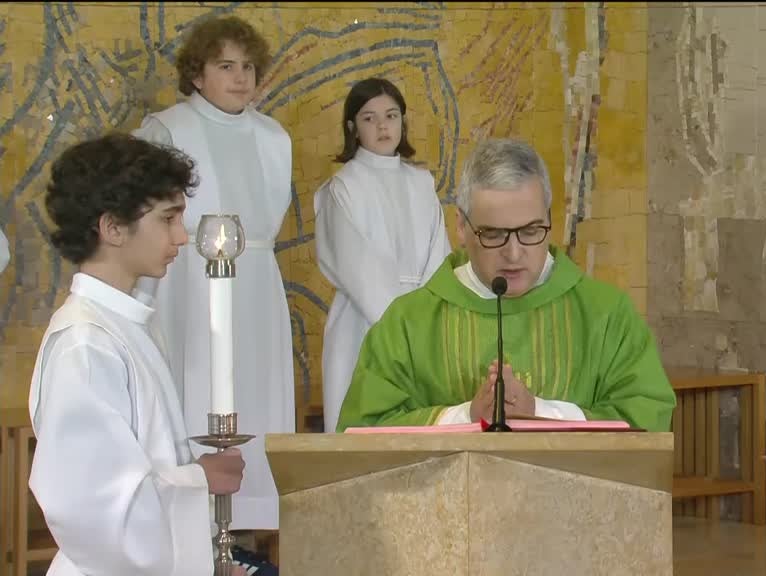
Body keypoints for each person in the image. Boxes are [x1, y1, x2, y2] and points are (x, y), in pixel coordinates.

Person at [336, 138, 676, 432]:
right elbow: (362, 431)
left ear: (550, 219)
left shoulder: (607, 316)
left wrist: (539, 413)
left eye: (530, 231)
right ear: (461, 227)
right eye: (494, 234)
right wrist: (465, 415)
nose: (514, 255)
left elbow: (649, 419)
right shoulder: (407, 323)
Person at [28, 132, 247, 576]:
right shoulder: (86, 344)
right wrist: (199, 479)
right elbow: (93, 509)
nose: (182, 238)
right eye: (168, 219)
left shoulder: (126, 326)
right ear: (112, 228)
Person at [132, 14, 294, 536]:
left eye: (248, 66)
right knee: (196, 386)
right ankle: (196, 521)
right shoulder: (167, 129)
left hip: (257, 287)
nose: (240, 77)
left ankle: (249, 525)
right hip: (187, 284)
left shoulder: (273, 136)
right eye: (226, 66)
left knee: (257, 395)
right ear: (197, 74)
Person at [314, 77, 450, 433]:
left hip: (424, 325)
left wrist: (430, 317)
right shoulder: (343, 187)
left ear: (402, 122)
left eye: (390, 115)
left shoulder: (421, 182)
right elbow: (356, 268)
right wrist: (403, 328)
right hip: (363, 324)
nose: (382, 126)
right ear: (352, 128)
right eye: (369, 118)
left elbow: (440, 254)